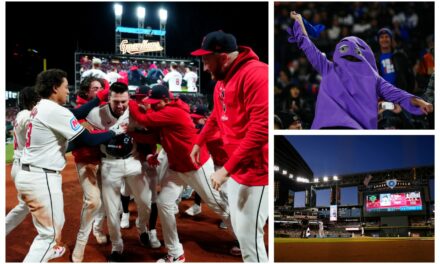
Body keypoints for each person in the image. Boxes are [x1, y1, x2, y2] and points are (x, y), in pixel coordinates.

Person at [14, 69, 125, 262]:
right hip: (42, 177)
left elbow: (74, 113)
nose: (68, 91)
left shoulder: (42, 107)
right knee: (48, 237)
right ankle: (46, 249)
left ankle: (48, 249)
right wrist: (115, 131)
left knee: (55, 226)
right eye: (65, 87)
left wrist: (97, 99)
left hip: (31, 173)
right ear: (55, 88)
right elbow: (88, 139)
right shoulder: (54, 110)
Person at [129, 85, 232, 262]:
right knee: (164, 203)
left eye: (156, 103)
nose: (152, 105)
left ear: (167, 101)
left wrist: (128, 101)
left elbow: (143, 119)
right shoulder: (166, 111)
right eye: (151, 102)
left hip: (196, 165)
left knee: (218, 205)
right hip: (177, 166)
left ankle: (248, 238)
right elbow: (155, 137)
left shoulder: (173, 111)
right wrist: (130, 133)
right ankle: (176, 253)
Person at [190, 30, 269, 262]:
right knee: (239, 228)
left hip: (257, 172)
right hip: (236, 170)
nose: (205, 68)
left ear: (223, 57)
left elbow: (261, 129)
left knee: (250, 241)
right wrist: (199, 141)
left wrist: (226, 169)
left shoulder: (257, 74)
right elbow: (216, 115)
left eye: (207, 61)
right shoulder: (222, 82)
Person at [286, 12, 433, 129]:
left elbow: (307, 45)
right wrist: (419, 102)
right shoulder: (373, 78)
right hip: (354, 132)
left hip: (327, 130)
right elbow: (399, 95)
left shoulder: (328, 68)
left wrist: (299, 22)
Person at [85, 82, 152, 262]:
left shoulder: (135, 111)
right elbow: (81, 120)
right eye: (116, 101)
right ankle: (117, 245)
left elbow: (150, 126)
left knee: (146, 202)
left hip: (133, 160)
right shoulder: (96, 113)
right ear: (109, 99)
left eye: (124, 101)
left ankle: (141, 227)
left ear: (128, 99)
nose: (121, 105)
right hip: (109, 163)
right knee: (112, 210)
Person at [71, 77, 108, 262]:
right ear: (87, 92)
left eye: (101, 88)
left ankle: (98, 229)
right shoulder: (79, 111)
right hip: (86, 160)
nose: (99, 91)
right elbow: (88, 138)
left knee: (105, 200)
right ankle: (80, 243)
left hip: (105, 160)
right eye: (95, 88)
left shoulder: (104, 109)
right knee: (93, 201)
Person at [6, 86, 40, 235]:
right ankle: (48, 239)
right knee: (38, 204)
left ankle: (48, 237)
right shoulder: (28, 115)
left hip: (19, 165)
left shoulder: (21, 114)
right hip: (26, 167)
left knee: (27, 205)